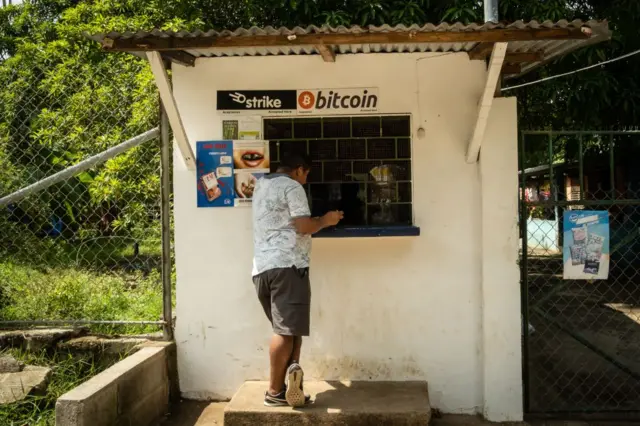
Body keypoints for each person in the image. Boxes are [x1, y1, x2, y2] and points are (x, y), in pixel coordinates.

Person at [252, 153, 343, 407]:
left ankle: (291, 385)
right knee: (284, 332)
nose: (305, 180)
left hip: (262, 269)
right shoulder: (291, 186)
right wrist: (327, 220)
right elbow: (304, 226)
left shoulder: (261, 185)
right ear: (299, 170)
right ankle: (274, 392)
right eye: (306, 175)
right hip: (288, 268)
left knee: (290, 330)